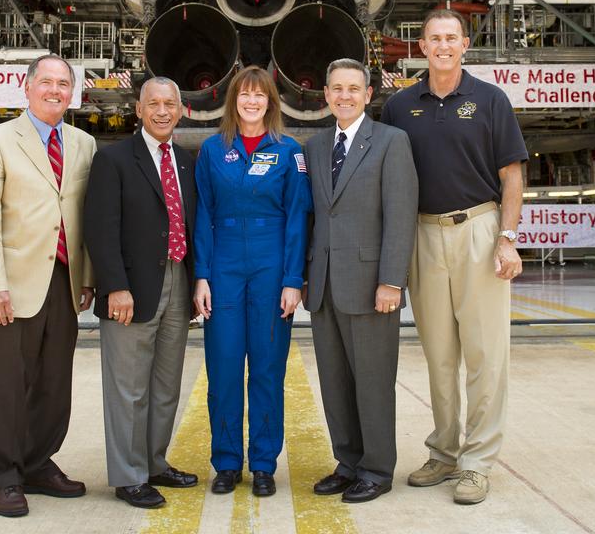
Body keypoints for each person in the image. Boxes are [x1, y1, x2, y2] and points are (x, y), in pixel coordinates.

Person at [383, 9, 528, 506]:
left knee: (485, 354)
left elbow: (512, 175)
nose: (443, 45)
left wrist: (507, 237)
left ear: (464, 44)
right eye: (433, 38)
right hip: (423, 233)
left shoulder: (490, 100)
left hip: (479, 230)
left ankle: (477, 461)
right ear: (420, 47)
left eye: (451, 37)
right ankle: (444, 451)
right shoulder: (400, 106)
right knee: (439, 354)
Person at [0, 54, 96, 518]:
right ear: (27, 87)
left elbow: (86, 216)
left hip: (64, 281)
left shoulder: (83, 144)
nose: (55, 91)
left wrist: (88, 278)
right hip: (13, 285)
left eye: (64, 84)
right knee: (5, 384)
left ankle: (38, 463)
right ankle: (2, 475)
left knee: (53, 383)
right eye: (47, 82)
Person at [192, 66, 312, 498]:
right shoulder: (210, 150)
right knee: (223, 369)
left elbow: (299, 216)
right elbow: (202, 215)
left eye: (259, 95)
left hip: (270, 265)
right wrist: (201, 275)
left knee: (266, 369)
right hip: (223, 267)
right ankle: (226, 463)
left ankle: (263, 463)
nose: (251, 101)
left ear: (271, 102)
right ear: (233, 100)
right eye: (244, 94)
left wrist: (292, 278)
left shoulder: (288, 151)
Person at [304, 59, 418, 504]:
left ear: (369, 95)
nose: (345, 96)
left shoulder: (391, 141)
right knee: (334, 381)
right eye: (337, 88)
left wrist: (392, 280)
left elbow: (400, 214)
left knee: (372, 380)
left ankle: (376, 468)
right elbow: (316, 216)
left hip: (372, 283)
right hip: (325, 284)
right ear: (326, 95)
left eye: (354, 88)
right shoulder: (314, 147)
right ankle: (348, 462)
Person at [84, 77, 199, 509]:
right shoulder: (113, 159)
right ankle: (128, 474)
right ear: (139, 109)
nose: (163, 111)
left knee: (166, 385)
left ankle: (153, 462)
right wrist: (115, 286)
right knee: (128, 387)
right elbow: (100, 228)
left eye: (170, 103)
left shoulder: (185, 161)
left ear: (182, 109)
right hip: (131, 288)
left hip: (177, 281)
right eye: (154, 104)